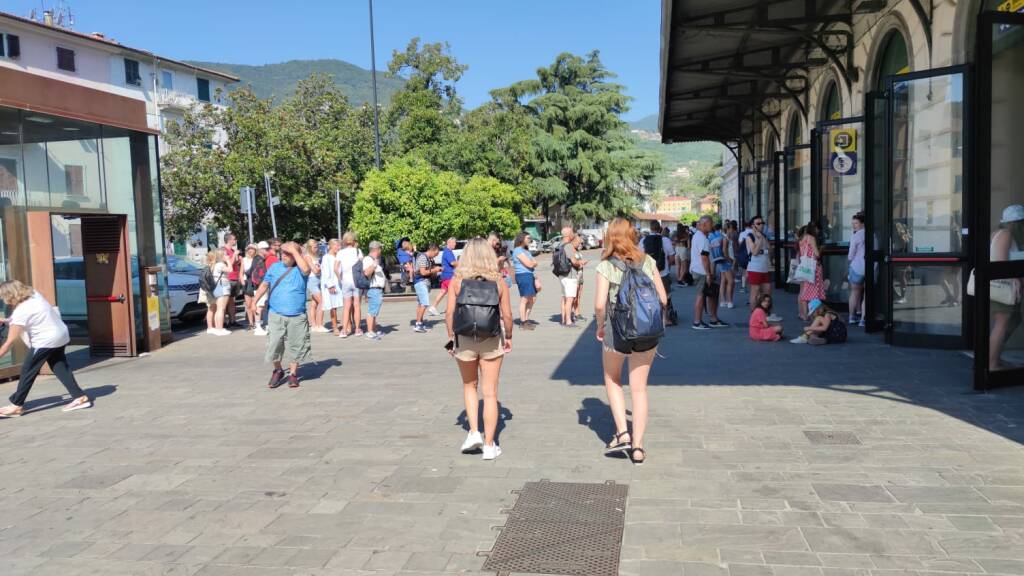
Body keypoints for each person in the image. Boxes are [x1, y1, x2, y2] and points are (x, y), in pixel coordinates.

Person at [594, 218, 669, 466]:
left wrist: (599, 326)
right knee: (639, 388)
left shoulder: (606, 265)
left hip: (617, 331)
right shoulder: (648, 261)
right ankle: (638, 447)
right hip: (646, 331)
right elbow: (663, 299)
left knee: (612, 378)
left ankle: (622, 433)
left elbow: (598, 304)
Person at [446, 238, 514, 460]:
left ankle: (474, 431)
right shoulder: (498, 281)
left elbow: (449, 314)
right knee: (490, 392)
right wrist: (509, 336)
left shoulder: (457, 281)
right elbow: (507, 315)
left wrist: (450, 338)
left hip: (464, 338)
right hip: (492, 338)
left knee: (469, 385)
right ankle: (489, 445)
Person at [0, 281, 91, 417]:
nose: (2, 299)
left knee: (28, 370)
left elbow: (9, 342)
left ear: (9, 295)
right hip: (61, 335)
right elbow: (33, 315)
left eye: (3, 296)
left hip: (45, 341)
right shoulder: (34, 295)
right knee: (59, 367)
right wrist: (8, 320)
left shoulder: (20, 312)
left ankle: (16, 405)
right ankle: (80, 397)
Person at [253, 241, 312, 388]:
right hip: (276, 313)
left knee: (296, 345)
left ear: (295, 255)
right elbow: (265, 285)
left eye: (288, 253)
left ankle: (293, 374)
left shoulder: (301, 268)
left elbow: (306, 270)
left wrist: (295, 251)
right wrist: (254, 301)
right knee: (274, 344)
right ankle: (278, 370)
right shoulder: (274, 267)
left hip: (297, 315)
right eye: (283, 253)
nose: (284, 256)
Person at [988, 205, 1024, 371]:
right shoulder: (1006, 234)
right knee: (1002, 323)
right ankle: (991, 363)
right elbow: (1001, 261)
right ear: (1015, 223)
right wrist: (1015, 278)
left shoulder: (999, 233)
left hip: (1002, 284)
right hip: (1004, 286)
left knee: (1013, 320)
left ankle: (994, 358)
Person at [690, 216, 727, 330]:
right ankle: (697, 322)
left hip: (699, 270)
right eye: (711, 223)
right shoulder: (702, 238)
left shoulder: (698, 236)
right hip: (702, 271)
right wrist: (708, 274)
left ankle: (713, 319)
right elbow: (704, 257)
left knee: (711, 294)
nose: (712, 226)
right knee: (701, 295)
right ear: (704, 224)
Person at [640, 221, 677, 325]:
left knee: (649, 296)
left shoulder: (643, 240)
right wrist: (666, 266)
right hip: (663, 273)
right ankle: (665, 319)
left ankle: (650, 318)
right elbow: (672, 258)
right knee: (665, 296)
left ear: (650, 228)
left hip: (648, 274)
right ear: (660, 228)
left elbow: (639, 258)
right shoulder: (665, 240)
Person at [745, 215, 781, 321]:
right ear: (753, 226)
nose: (761, 225)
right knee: (755, 291)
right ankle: (754, 315)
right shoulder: (749, 236)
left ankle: (766, 313)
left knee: (767, 291)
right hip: (755, 268)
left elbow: (769, 249)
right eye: (758, 223)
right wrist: (760, 239)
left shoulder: (764, 236)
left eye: (762, 223)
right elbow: (755, 252)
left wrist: (764, 242)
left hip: (765, 268)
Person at [798, 222, 826, 320]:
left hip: (805, 269)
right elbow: (817, 254)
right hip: (813, 268)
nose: (818, 232)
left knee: (806, 292)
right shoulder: (811, 238)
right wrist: (821, 249)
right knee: (814, 293)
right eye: (818, 230)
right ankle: (815, 315)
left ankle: (805, 315)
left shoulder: (801, 239)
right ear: (814, 229)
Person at [337, 232, 364, 338]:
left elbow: (336, 268)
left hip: (345, 281)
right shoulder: (358, 251)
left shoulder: (340, 252)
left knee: (346, 306)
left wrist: (340, 279)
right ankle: (357, 329)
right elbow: (362, 265)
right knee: (357, 305)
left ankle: (344, 330)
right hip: (356, 281)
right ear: (354, 240)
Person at [555, 227, 583, 327]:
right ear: (568, 235)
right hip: (570, 275)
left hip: (561, 275)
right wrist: (580, 263)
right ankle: (568, 321)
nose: (573, 235)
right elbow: (574, 261)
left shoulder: (559, 245)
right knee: (570, 299)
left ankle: (563, 319)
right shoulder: (568, 246)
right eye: (572, 233)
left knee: (564, 298)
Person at [512, 232, 540, 330]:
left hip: (529, 275)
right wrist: (533, 263)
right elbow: (530, 264)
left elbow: (535, 263)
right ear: (522, 238)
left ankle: (526, 319)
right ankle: (523, 322)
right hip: (523, 275)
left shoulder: (526, 251)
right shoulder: (517, 250)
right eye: (528, 238)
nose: (530, 240)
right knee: (525, 299)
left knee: (533, 298)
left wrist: (533, 265)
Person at [413, 243, 442, 333]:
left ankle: (420, 322)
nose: (436, 256)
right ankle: (418, 324)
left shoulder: (428, 259)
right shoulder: (423, 257)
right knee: (424, 303)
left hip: (423, 283)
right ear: (432, 250)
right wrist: (435, 270)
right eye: (436, 254)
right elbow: (423, 272)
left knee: (421, 303)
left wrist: (436, 271)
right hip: (421, 282)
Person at [362, 241, 388, 341]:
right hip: (373, 289)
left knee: (374, 311)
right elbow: (366, 272)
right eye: (380, 248)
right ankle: (370, 332)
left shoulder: (373, 259)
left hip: (377, 289)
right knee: (372, 311)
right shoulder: (368, 260)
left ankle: (373, 330)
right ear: (375, 249)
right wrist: (374, 265)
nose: (381, 250)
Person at [205, 249, 232, 336]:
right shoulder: (220, 264)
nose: (227, 256)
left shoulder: (214, 265)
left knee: (218, 309)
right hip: (222, 287)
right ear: (221, 256)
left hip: (217, 288)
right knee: (221, 309)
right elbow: (230, 270)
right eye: (225, 255)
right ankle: (219, 329)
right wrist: (228, 261)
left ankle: (218, 328)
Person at [320, 239, 344, 336]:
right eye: (336, 246)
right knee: (332, 306)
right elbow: (326, 272)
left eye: (339, 246)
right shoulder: (326, 257)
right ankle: (335, 327)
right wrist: (330, 285)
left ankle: (347, 324)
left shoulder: (338, 256)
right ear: (330, 246)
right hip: (330, 284)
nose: (338, 248)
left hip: (339, 283)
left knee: (338, 305)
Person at [430, 237, 459, 317]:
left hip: (445, 276)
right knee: (454, 293)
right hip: (449, 276)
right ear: (449, 243)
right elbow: (453, 263)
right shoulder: (448, 252)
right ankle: (451, 309)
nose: (455, 244)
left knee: (443, 292)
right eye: (454, 243)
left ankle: (433, 307)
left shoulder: (447, 251)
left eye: (455, 243)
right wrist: (462, 264)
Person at [304, 239, 327, 333]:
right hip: (312, 280)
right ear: (309, 248)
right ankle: (319, 325)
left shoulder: (316, 256)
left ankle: (314, 325)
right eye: (315, 247)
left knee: (314, 303)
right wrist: (322, 268)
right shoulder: (307, 257)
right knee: (322, 301)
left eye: (317, 246)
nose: (317, 249)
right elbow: (315, 270)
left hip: (318, 280)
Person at [848, 212, 867, 326]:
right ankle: (863, 319)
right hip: (869, 268)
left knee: (854, 292)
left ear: (862, 223)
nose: (854, 225)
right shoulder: (872, 235)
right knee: (867, 294)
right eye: (853, 223)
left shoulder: (855, 236)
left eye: (856, 223)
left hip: (856, 268)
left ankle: (852, 317)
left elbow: (851, 255)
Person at [250, 241, 271, 336]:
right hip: (259, 286)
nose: (268, 251)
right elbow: (258, 275)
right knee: (260, 306)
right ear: (261, 250)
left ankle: (261, 325)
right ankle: (257, 327)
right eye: (266, 249)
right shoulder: (258, 259)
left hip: (260, 286)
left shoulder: (258, 259)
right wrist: (262, 285)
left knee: (262, 305)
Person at [223, 233, 241, 327]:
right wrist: (234, 255)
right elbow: (229, 263)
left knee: (232, 301)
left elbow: (236, 263)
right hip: (228, 278)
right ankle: (223, 322)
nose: (235, 241)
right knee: (224, 301)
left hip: (235, 277)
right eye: (234, 239)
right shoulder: (223, 250)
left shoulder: (233, 250)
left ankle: (232, 321)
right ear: (229, 240)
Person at [719, 221, 737, 308]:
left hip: (724, 261)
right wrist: (730, 260)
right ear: (729, 229)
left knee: (723, 281)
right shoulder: (726, 238)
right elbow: (724, 251)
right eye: (731, 228)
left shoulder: (725, 237)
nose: (732, 230)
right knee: (731, 281)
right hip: (727, 261)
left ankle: (723, 301)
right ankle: (729, 301)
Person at [571, 233, 588, 322]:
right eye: (579, 242)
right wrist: (581, 262)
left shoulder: (577, 251)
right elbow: (574, 262)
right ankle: (571, 314)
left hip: (581, 274)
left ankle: (577, 313)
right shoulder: (571, 251)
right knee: (573, 296)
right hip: (575, 275)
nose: (580, 244)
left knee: (578, 296)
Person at [242, 244, 258, 330]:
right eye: (249, 249)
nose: (250, 251)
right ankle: (251, 323)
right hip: (246, 282)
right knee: (248, 304)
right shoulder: (244, 260)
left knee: (254, 303)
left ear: (255, 251)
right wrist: (241, 280)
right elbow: (241, 272)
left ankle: (257, 322)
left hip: (255, 282)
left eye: (252, 249)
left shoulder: (257, 259)